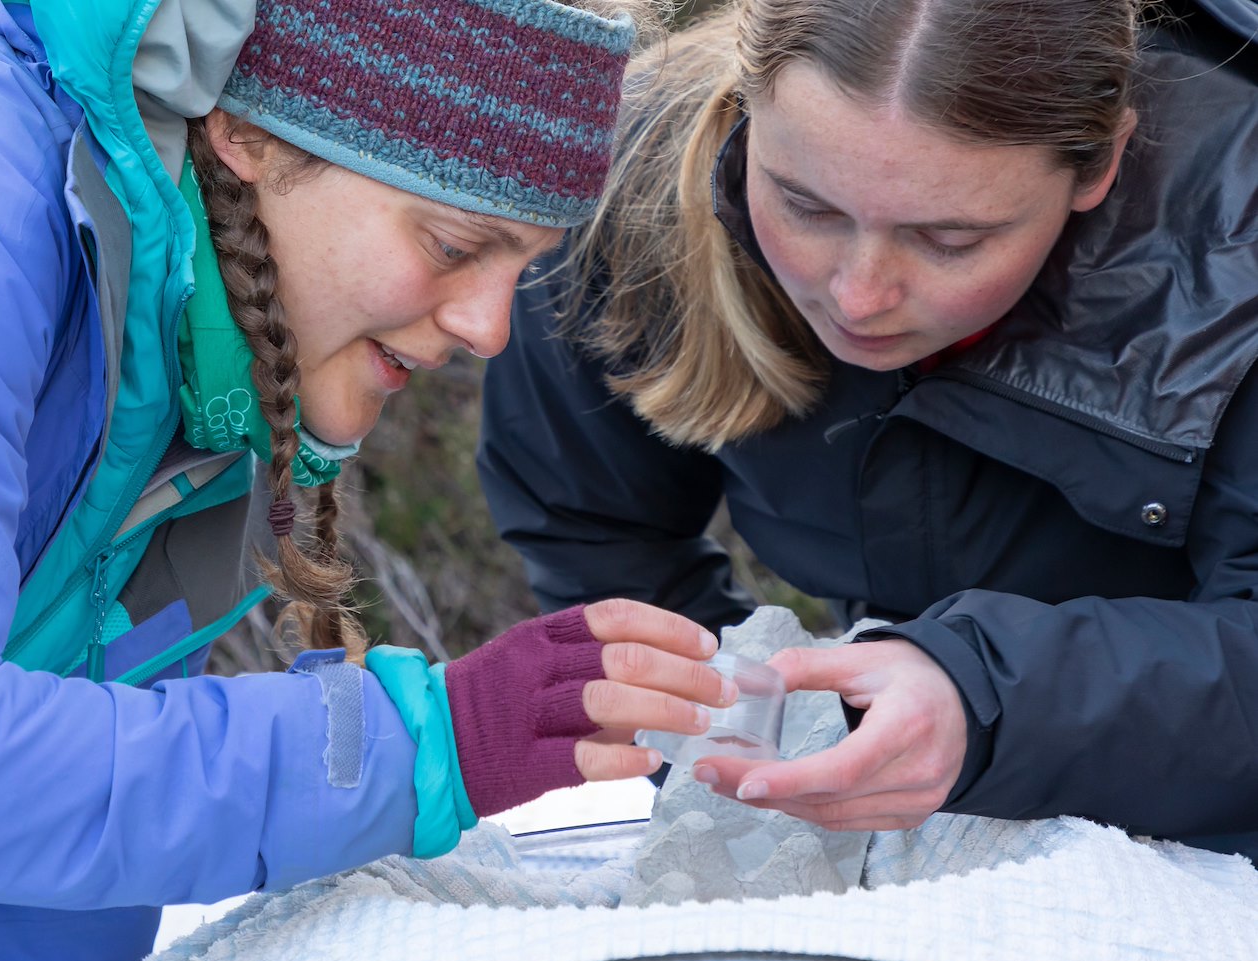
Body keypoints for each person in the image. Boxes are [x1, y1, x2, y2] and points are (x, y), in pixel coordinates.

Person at [0, 0, 738, 961]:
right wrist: (422, 745)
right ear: (245, 134)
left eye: (524, 263)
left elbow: (38, 845)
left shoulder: (202, 366)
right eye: (453, 245)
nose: (488, 330)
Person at [478, 0, 1258, 856]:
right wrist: (747, 730)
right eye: (805, 206)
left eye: (950, 238)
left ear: (1100, 162)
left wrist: (984, 696)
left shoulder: (1241, 234)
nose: (857, 294)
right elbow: (592, 522)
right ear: (745, 111)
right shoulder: (637, 172)